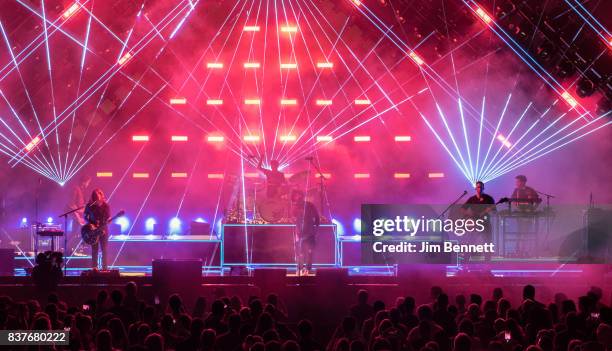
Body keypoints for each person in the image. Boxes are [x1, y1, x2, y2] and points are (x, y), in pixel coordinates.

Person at [461, 181, 496, 262]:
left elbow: (494, 210)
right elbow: (463, 209)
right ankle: (466, 260)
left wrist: (488, 210)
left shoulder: (489, 198)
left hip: (485, 223)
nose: (479, 189)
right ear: (475, 188)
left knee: (487, 242)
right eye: (478, 187)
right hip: (474, 223)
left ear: (483, 188)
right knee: (469, 242)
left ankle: (487, 261)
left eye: (481, 187)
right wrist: (469, 213)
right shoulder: (472, 199)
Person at [291, 190, 319, 275]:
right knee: (301, 253)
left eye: (299, 195)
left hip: (309, 232)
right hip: (300, 233)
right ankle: (300, 269)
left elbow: (317, 217)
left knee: (309, 252)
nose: (298, 198)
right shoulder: (295, 206)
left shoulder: (310, 205)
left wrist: (316, 229)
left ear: (302, 196)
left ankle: (306, 270)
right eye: (296, 196)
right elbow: (293, 216)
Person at [84, 188, 111, 270]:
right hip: (93, 230)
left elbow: (108, 217)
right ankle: (94, 267)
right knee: (94, 249)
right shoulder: (89, 205)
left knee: (104, 249)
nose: (97, 198)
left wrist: (107, 221)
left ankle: (104, 268)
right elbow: (85, 216)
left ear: (101, 196)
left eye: (98, 196)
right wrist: (90, 224)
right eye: (95, 197)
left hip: (103, 229)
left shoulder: (106, 206)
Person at [67, 175, 91, 254]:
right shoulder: (76, 189)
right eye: (88, 182)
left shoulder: (82, 190)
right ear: (84, 182)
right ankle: (67, 249)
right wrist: (78, 216)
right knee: (74, 233)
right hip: (75, 216)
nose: (88, 184)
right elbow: (71, 204)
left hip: (80, 216)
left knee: (79, 233)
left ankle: (76, 249)